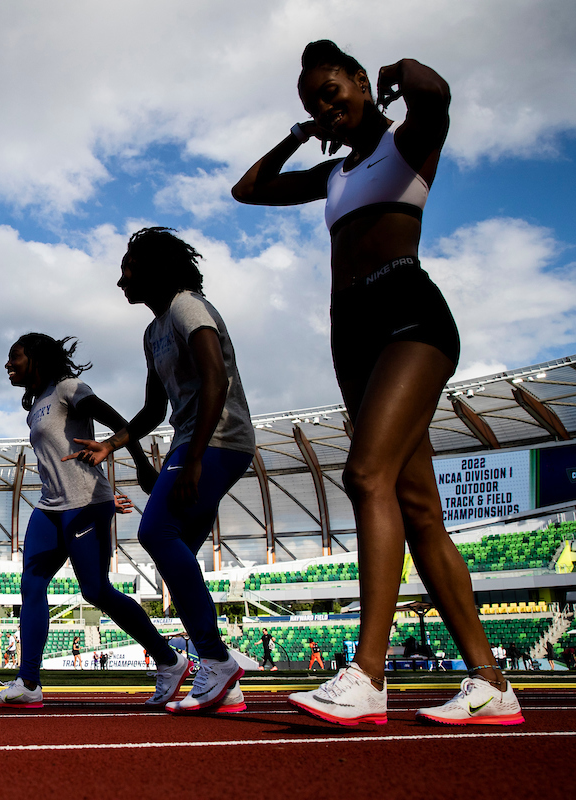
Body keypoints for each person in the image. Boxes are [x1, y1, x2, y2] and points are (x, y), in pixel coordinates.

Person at [233, 40, 521, 727]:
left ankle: (367, 673)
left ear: (362, 83)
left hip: (409, 317)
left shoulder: (406, 144)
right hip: (351, 336)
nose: (324, 107)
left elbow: (436, 94)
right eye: (311, 102)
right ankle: (490, 683)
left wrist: (403, 72)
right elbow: (248, 189)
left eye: (332, 92)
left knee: (366, 477)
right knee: (418, 507)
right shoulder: (331, 175)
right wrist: (297, 135)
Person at [66, 228, 254, 715]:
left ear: (153, 269)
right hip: (187, 441)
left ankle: (215, 658)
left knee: (155, 531)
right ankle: (223, 683)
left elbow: (217, 378)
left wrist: (191, 460)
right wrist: (112, 444)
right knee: (177, 556)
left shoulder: (187, 307)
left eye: (127, 268)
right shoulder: (152, 332)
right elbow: (152, 410)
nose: (120, 280)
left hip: (219, 439)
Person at [0, 333, 190, 710]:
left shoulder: (69, 388)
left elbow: (119, 421)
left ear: (37, 358)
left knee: (95, 591)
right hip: (49, 507)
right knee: (31, 585)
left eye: (15, 357)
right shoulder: (35, 405)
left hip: (86, 503)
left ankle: (169, 659)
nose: (8, 365)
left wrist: (141, 466)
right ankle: (28, 682)